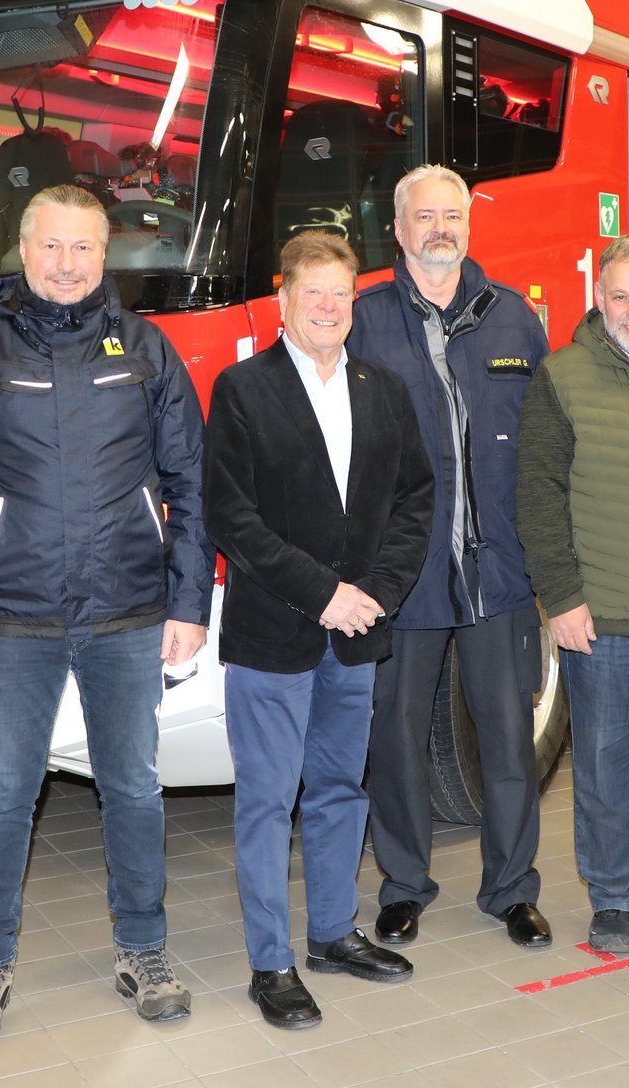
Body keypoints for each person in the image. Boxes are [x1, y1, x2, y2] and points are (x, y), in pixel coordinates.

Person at [0, 183, 211, 1047]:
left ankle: (144, 951)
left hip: (128, 611)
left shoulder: (147, 350)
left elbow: (191, 484)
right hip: (13, 617)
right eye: (52, 245)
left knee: (134, 790)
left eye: (84, 247)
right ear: (23, 249)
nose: (68, 263)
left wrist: (189, 603)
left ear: (105, 253)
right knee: (3, 797)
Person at [204, 231, 435, 1030]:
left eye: (342, 294)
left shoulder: (383, 389)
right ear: (284, 301)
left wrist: (376, 593)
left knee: (341, 789)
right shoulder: (243, 389)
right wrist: (322, 594)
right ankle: (271, 963)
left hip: (358, 629)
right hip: (275, 632)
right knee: (268, 802)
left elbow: (415, 500)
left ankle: (334, 933)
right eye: (315, 293)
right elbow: (232, 517)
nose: (330, 308)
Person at [349, 164, 555, 950]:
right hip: (403, 573)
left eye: (453, 216)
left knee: (507, 736)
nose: (440, 229)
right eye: (425, 216)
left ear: (469, 225)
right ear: (398, 229)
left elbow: (545, 444)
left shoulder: (514, 319)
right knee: (397, 737)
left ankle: (512, 889)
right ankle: (404, 885)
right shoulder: (363, 322)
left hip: (498, 570)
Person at [516, 233, 629, 954]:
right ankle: (617, 898)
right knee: (602, 767)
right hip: (604, 613)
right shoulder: (563, 376)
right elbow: (538, 496)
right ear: (598, 298)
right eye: (619, 296)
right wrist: (561, 599)